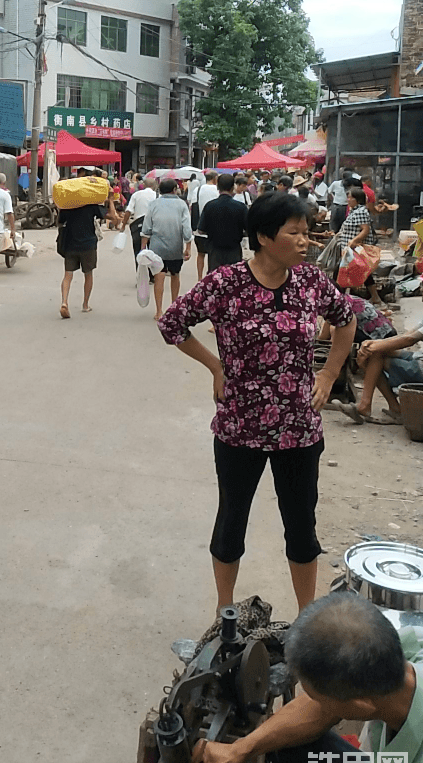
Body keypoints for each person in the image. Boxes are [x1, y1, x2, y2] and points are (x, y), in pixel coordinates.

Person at [157, 192, 355, 612]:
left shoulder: (311, 282)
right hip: (239, 427)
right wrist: (215, 366)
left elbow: (346, 318)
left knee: (301, 527)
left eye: (306, 232)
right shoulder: (226, 283)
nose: (305, 241)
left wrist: (329, 373)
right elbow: (173, 323)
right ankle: (224, 610)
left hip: (300, 427)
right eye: (295, 233)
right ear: (265, 237)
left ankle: (307, 619)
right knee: (232, 521)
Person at [182, 591, 423, 763]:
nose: (312, 701)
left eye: (320, 698)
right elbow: (318, 708)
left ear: (361, 704)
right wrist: (241, 749)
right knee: (291, 746)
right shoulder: (403, 648)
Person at [333, 313, 423, 425]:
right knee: (375, 352)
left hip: (420, 366)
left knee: (374, 354)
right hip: (417, 357)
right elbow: (406, 335)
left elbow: (409, 340)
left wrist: (373, 347)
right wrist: (374, 344)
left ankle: (367, 406)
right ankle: (392, 408)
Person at [56, 168, 118, 318]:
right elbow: (113, 217)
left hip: (70, 243)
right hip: (88, 244)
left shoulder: (67, 207)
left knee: (67, 275)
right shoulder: (91, 206)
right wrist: (110, 200)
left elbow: (59, 223)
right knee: (88, 275)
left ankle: (64, 302)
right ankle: (85, 305)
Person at [140, 177, 192, 321]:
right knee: (175, 275)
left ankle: (158, 311)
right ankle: (174, 309)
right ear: (175, 190)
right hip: (175, 247)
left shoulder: (153, 204)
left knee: (159, 277)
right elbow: (186, 228)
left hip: (157, 247)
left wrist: (143, 248)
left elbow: (146, 228)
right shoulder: (182, 205)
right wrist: (188, 246)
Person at [337, 186, 385, 307]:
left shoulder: (361, 212)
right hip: (349, 249)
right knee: (361, 272)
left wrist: (354, 240)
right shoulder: (355, 211)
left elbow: (365, 230)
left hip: (354, 249)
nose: (348, 199)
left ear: (357, 199)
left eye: (350, 197)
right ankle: (374, 298)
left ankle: (338, 300)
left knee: (345, 272)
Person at [195, 173, 248, 275]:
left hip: (214, 250)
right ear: (233, 187)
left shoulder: (210, 206)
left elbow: (201, 229)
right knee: (233, 280)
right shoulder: (241, 207)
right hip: (234, 250)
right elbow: (248, 228)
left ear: (218, 187)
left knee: (215, 280)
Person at [120, 176, 157, 268]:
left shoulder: (136, 195)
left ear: (143, 185)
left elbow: (129, 211)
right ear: (154, 186)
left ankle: (140, 275)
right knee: (152, 250)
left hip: (138, 225)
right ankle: (152, 275)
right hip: (153, 225)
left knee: (138, 250)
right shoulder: (157, 196)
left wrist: (123, 225)